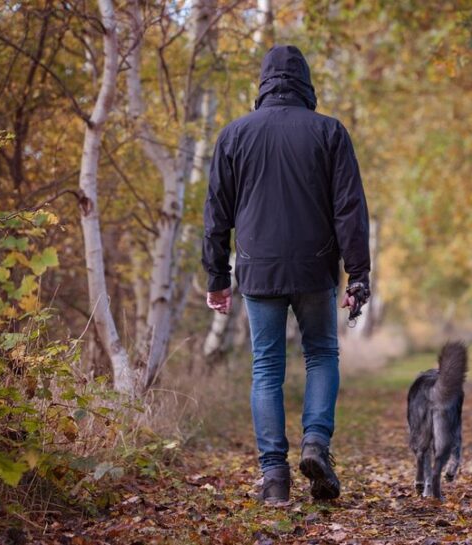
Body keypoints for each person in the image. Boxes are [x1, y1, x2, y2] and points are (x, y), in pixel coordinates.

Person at [201, 45, 370, 504]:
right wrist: (358, 273)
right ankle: (316, 443)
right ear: (306, 82)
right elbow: (349, 209)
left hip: (257, 269)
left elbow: (217, 213)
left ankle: (274, 477)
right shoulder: (329, 132)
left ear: (263, 82)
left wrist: (217, 275)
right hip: (316, 267)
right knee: (320, 355)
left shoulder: (234, 135)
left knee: (266, 369)